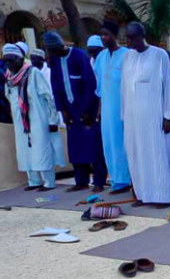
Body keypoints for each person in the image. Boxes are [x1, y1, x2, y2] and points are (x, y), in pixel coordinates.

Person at [122, 22, 170, 208]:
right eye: (127, 37)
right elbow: (124, 89)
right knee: (137, 156)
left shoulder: (159, 55)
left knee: (157, 155)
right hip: (133, 118)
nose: (129, 41)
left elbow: (168, 87)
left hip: (154, 117)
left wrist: (168, 115)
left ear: (142, 35)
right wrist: (124, 118)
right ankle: (142, 195)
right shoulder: (127, 57)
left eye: (132, 37)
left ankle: (161, 196)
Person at [44, 31, 107, 193]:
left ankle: (99, 181)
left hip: (86, 110)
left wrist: (87, 110)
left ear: (58, 46)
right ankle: (81, 181)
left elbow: (90, 83)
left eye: (52, 50)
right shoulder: (55, 60)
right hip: (69, 111)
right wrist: (62, 110)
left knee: (94, 147)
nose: (50, 54)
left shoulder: (79, 56)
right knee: (75, 147)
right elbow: (56, 86)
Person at [3, 44, 65, 190]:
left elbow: (48, 97)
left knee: (41, 148)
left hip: (38, 118)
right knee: (24, 149)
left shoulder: (33, 73)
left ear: (20, 59)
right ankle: (34, 181)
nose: (9, 64)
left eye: (12, 60)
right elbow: (8, 96)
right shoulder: (9, 77)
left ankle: (49, 182)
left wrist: (52, 119)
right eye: (6, 61)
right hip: (21, 120)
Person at [93, 20, 131, 194]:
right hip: (107, 110)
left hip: (123, 109)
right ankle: (115, 179)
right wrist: (99, 112)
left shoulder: (127, 55)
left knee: (122, 143)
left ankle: (126, 180)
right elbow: (100, 88)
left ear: (115, 36)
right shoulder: (100, 57)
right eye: (101, 34)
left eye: (106, 34)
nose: (103, 38)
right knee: (109, 144)